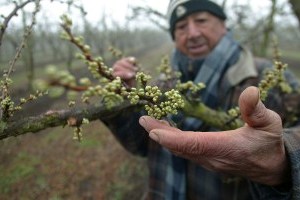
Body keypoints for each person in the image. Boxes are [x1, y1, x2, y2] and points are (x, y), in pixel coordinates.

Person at [103, 0, 300, 199]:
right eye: (181, 27)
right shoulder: (162, 85)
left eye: (201, 20)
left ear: (223, 25)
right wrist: (123, 103)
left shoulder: (269, 77)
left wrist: (285, 159)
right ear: (174, 37)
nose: (193, 33)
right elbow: (140, 145)